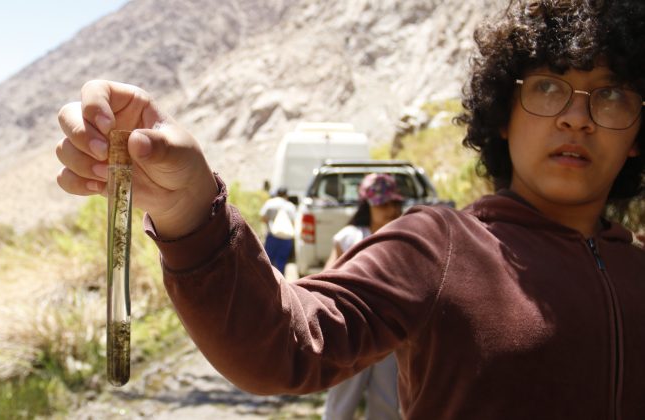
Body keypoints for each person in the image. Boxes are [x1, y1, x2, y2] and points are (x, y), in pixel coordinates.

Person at [54, 0, 645, 418]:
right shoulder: (441, 246)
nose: (577, 116)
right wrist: (189, 208)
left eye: (612, 94)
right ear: (502, 112)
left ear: (638, 131)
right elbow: (287, 345)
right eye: (548, 87)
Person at [322, 173, 404, 420]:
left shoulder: (402, 235)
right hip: (353, 334)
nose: (390, 210)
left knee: (388, 400)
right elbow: (328, 278)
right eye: (382, 204)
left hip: (390, 334)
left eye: (394, 203)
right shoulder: (350, 237)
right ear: (367, 204)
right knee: (342, 398)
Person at [259, 187, 297, 272]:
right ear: (286, 195)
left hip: (272, 236)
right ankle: (280, 283)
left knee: (268, 262)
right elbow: (294, 223)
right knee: (281, 262)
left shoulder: (270, 203)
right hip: (286, 238)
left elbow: (263, 217)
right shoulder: (290, 206)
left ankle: (268, 282)